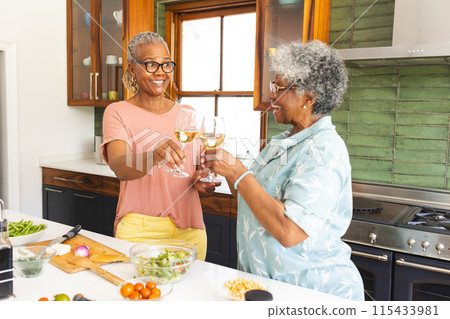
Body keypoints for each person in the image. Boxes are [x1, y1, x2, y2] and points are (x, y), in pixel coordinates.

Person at [204, 40, 364, 300]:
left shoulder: (323, 149)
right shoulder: (283, 142)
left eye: (279, 88)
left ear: (309, 97)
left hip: (312, 295)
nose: (270, 95)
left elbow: (290, 232)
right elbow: (255, 202)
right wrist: (226, 176)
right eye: (273, 86)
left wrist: (237, 173)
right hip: (264, 288)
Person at [101, 31, 219, 261]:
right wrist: (154, 155)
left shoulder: (188, 115)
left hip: (191, 229)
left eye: (166, 65)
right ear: (132, 68)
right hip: (140, 229)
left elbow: (194, 172)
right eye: (150, 64)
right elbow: (119, 167)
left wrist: (202, 180)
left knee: (189, 295)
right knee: (139, 294)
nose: (161, 73)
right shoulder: (117, 112)